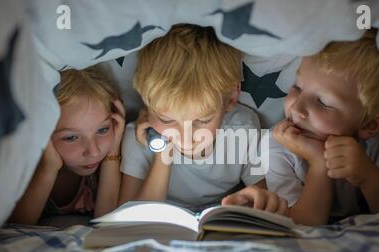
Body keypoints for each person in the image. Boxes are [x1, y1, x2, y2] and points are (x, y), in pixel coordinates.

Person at [119, 24, 287, 214]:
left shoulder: (244, 128)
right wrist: (163, 156)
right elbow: (130, 216)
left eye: (203, 120)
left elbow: (262, 196)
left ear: (231, 98)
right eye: (166, 120)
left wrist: (249, 201)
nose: (186, 137)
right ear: (146, 105)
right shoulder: (138, 138)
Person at [267, 30, 379, 225]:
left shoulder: (374, 145)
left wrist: (367, 175)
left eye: (322, 102)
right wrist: (319, 164)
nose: (296, 107)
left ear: (370, 125)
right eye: (297, 87)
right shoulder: (277, 144)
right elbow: (300, 225)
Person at [10, 66, 126, 224]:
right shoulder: (19, 168)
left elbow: (107, 225)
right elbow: (16, 230)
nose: (93, 151)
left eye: (102, 129)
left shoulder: (108, 164)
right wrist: (48, 169)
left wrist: (113, 149)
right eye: (71, 137)